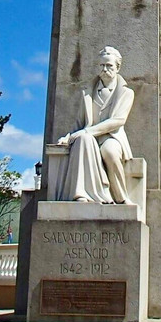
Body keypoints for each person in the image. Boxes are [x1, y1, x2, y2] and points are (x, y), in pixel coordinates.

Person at [56, 46, 135, 204]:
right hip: (89, 136)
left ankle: (121, 197)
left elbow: (118, 120)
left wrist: (87, 131)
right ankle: (81, 194)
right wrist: (69, 136)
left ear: (117, 67)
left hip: (112, 137)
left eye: (109, 66)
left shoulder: (126, 93)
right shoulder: (87, 92)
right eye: (102, 66)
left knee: (110, 151)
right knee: (83, 141)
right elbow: (80, 122)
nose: (105, 69)